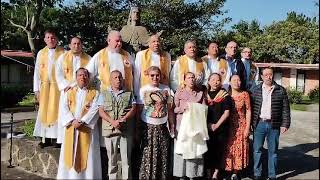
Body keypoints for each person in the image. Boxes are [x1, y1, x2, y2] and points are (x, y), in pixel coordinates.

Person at [56, 68, 101, 179]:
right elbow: (63, 108)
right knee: (69, 154)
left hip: (86, 128)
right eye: (80, 75)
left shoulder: (95, 93)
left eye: (85, 75)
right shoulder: (69, 92)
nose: (82, 77)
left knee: (88, 156)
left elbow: (95, 109)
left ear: (88, 77)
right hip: (71, 127)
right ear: (76, 78)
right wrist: (72, 121)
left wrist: (83, 121)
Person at [250, 67, 291, 180]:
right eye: (266, 75)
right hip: (259, 124)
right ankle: (257, 174)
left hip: (274, 125)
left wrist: (285, 124)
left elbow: (286, 109)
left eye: (271, 74)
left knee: (273, 152)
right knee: (257, 150)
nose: (269, 76)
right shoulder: (255, 89)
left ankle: (272, 175)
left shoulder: (280, 90)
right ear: (262, 77)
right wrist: (250, 123)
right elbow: (251, 108)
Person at [137, 66, 174, 180]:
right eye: (152, 75)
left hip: (162, 126)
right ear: (148, 76)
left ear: (160, 76)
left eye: (157, 75)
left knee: (162, 154)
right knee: (148, 154)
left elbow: (170, 109)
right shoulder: (143, 89)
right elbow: (139, 109)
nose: (155, 77)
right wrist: (137, 128)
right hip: (147, 126)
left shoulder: (166, 89)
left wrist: (172, 125)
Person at [98, 70, 136, 180]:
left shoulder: (129, 94)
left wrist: (123, 119)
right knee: (112, 160)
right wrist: (112, 121)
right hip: (110, 131)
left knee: (126, 160)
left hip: (125, 130)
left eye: (120, 77)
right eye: (115, 77)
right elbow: (101, 111)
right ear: (110, 80)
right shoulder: (103, 94)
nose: (118, 79)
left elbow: (133, 109)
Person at [55, 36, 91, 145]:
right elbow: (58, 74)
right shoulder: (62, 58)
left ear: (82, 45)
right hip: (67, 91)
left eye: (78, 44)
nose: (76, 46)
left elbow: (91, 75)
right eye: (74, 44)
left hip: (83, 91)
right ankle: (64, 141)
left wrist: (77, 85)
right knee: (66, 113)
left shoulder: (88, 58)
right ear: (70, 45)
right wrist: (67, 86)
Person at [33, 29, 65, 148]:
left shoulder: (63, 52)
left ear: (56, 39)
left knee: (57, 111)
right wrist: (36, 89)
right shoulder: (41, 53)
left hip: (58, 87)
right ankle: (44, 138)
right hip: (45, 87)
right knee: (44, 112)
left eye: (53, 37)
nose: (50, 40)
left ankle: (57, 139)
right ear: (45, 39)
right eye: (48, 38)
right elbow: (36, 72)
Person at [173, 72, 206, 179]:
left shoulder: (200, 93)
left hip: (195, 126)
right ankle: (181, 175)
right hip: (181, 125)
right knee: (182, 150)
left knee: (194, 150)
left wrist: (198, 110)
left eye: (193, 77)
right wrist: (183, 109)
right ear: (184, 80)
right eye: (189, 78)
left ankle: (193, 175)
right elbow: (174, 109)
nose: (191, 80)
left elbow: (205, 109)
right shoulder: (179, 92)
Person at [224, 74, 251, 180]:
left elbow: (248, 111)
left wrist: (247, 127)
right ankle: (227, 170)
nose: (237, 82)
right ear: (229, 82)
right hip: (228, 126)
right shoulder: (226, 95)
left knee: (239, 149)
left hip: (241, 125)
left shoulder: (245, 94)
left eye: (239, 80)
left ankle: (236, 172)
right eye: (234, 80)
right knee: (228, 148)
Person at [205, 73, 232, 179]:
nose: (215, 82)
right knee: (207, 150)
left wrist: (216, 125)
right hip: (206, 127)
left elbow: (227, 112)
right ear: (208, 81)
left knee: (218, 151)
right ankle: (207, 172)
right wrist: (207, 124)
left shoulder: (224, 95)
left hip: (221, 128)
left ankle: (216, 173)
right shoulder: (204, 94)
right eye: (213, 80)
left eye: (218, 80)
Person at [134, 34, 171, 101]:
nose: (156, 43)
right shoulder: (141, 55)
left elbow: (168, 74)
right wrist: (136, 92)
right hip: (145, 89)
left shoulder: (167, 55)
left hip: (161, 89)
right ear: (149, 44)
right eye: (153, 41)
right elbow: (136, 75)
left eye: (158, 41)